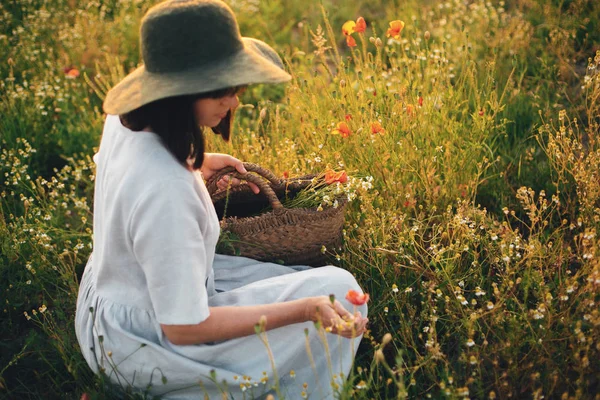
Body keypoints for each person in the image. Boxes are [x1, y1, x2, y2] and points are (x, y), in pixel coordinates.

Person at [74, 0, 368, 399]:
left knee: (330, 289)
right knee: (335, 296)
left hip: (116, 294)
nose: (234, 103)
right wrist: (304, 310)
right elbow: (184, 327)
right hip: (147, 343)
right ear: (182, 93)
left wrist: (196, 165)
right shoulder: (167, 192)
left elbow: (127, 178)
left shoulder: (128, 115)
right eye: (223, 92)